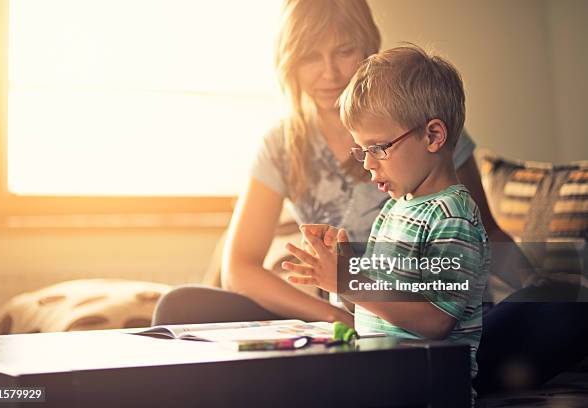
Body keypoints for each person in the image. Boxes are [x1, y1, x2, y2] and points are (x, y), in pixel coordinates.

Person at [152, 0, 587, 395]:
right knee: (182, 307)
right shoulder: (282, 143)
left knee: (564, 306)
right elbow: (240, 267)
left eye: (343, 51)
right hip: (346, 315)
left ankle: (436, 368)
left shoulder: (420, 126)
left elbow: (484, 235)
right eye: (309, 56)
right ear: (289, 63)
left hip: (426, 320)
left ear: (368, 49)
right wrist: (341, 311)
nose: (328, 72)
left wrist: (534, 288)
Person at [282, 45, 489, 403]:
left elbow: (436, 320)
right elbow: (376, 308)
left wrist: (351, 280)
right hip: (385, 383)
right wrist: (342, 272)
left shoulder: (452, 216)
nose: (367, 164)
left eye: (378, 148)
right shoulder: (394, 210)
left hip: (428, 391)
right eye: (361, 151)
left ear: (433, 136)